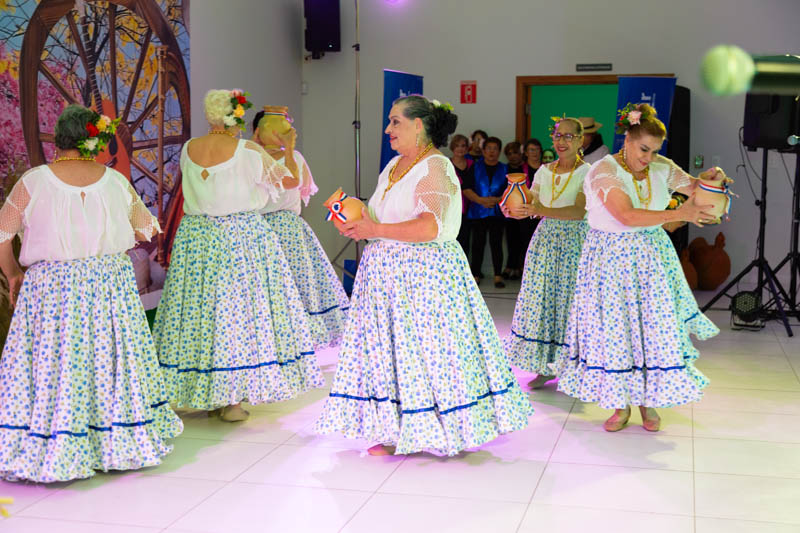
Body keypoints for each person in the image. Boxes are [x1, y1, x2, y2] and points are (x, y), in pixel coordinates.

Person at [314, 95, 532, 456]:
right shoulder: (394, 166)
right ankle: (396, 428)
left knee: (430, 351)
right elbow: (382, 214)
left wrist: (375, 227)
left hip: (423, 274)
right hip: (386, 274)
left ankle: (445, 429)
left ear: (419, 125)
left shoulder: (436, 166)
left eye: (395, 121)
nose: (388, 129)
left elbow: (429, 226)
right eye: (389, 121)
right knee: (393, 352)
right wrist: (355, 217)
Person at [0, 104, 182, 482]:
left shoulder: (33, 181)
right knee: (107, 360)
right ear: (93, 140)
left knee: (58, 361)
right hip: (107, 284)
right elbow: (144, 228)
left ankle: (56, 443)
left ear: (59, 139)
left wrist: (14, 273)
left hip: (52, 286)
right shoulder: (115, 182)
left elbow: (3, 234)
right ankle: (113, 443)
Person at [153, 89, 323, 423]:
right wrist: (288, 148)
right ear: (239, 118)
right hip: (238, 237)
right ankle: (231, 400)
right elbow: (290, 180)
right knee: (236, 316)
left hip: (196, 238)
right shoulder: (248, 151)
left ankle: (204, 391)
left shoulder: (189, 148)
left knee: (200, 315)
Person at [553, 103, 725, 432]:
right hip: (609, 261)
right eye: (644, 149)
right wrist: (680, 214)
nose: (648, 157)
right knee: (615, 332)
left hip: (651, 258)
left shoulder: (661, 166)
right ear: (627, 140)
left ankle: (649, 404)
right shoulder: (603, 171)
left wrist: (711, 184)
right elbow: (627, 216)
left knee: (652, 330)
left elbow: (694, 189)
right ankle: (620, 406)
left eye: (655, 150)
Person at [503, 118, 590, 389]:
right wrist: (512, 205)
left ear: (579, 140)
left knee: (569, 303)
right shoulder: (543, 171)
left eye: (568, 136)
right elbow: (531, 201)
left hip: (575, 241)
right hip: (545, 242)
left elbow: (579, 212)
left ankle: (574, 366)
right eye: (557, 135)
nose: (561, 141)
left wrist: (539, 210)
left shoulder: (589, 171)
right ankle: (545, 365)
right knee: (543, 302)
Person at [252, 107, 350, 349]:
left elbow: (300, 188)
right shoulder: (257, 158)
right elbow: (302, 190)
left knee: (293, 281)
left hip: (274, 227)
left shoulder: (283, 158)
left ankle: (291, 334)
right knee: (283, 282)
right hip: (269, 227)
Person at [463, 137, 507, 288]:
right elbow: (466, 188)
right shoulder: (475, 167)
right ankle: (475, 274)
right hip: (477, 212)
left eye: (495, 148)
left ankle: (498, 275)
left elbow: (511, 191)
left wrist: (497, 199)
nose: (492, 152)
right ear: (483, 150)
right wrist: (481, 200)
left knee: (496, 244)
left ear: (499, 151)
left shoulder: (505, 169)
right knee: (477, 244)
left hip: (497, 212)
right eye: (489, 148)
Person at [502, 141, 527, 279]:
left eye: (515, 153)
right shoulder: (504, 170)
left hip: (524, 209)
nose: (513, 156)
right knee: (511, 238)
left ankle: (520, 266)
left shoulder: (525, 169)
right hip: (508, 209)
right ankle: (510, 266)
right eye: (509, 154)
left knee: (523, 238)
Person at [449, 133, 473, 256]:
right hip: (451, 209)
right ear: (452, 147)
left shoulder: (472, 163)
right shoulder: (446, 163)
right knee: (452, 240)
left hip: (470, 208)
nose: (460, 148)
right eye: (457, 146)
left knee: (466, 241)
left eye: (463, 146)